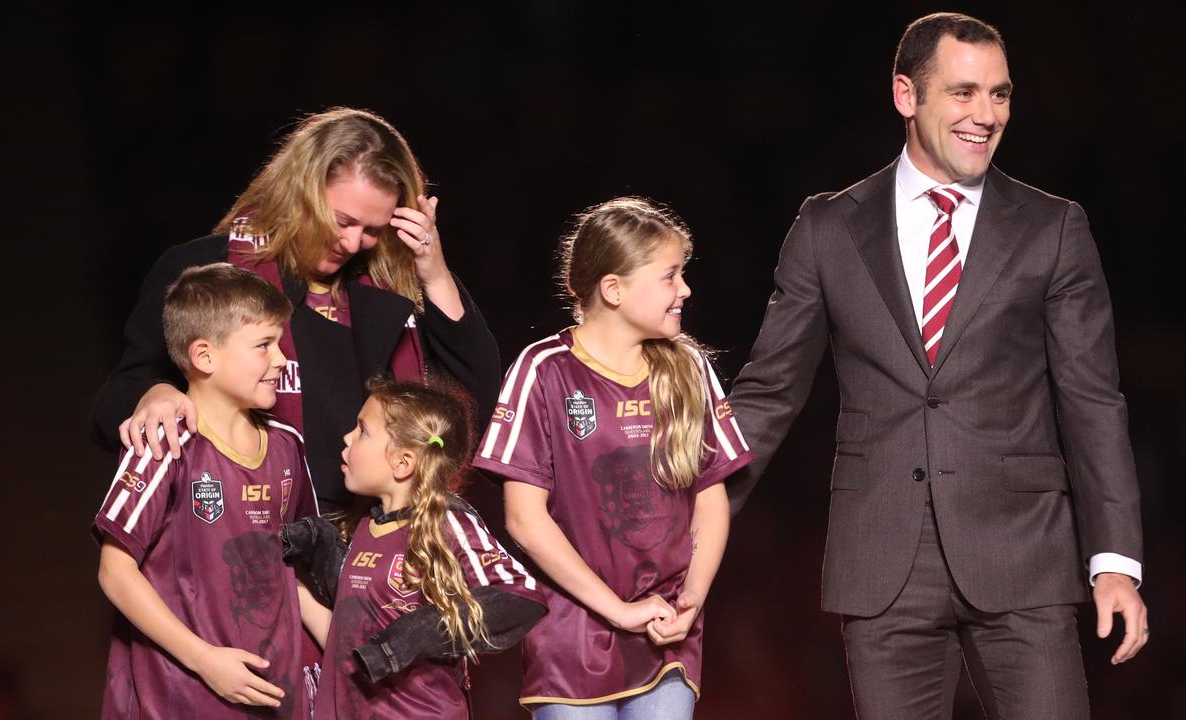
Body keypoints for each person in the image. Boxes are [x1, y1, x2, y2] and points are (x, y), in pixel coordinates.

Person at [726, 13, 1148, 719]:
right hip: (882, 562)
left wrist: (1114, 563)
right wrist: (679, 521)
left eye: (1000, 94)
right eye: (963, 93)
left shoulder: (1054, 227)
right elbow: (767, 394)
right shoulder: (828, 227)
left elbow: (1092, 400)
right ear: (905, 95)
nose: (986, 115)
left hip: (1023, 557)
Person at [91, 107, 501, 513]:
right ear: (301, 188)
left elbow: (471, 402)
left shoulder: (395, 291)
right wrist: (155, 393)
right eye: (341, 220)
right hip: (235, 531)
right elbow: (116, 399)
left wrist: (434, 273)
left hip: (366, 550)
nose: (353, 243)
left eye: (372, 229)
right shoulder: (204, 271)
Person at [473, 198, 752, 718]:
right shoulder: (544, 369)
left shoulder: (687, 365)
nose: (685, 290)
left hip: (666, 633)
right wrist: (618, 611)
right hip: (570, 636)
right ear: (613, 289)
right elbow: (524, 519)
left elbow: (710, 499)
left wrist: (691, 599)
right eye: (670, 276)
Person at [94, 263, 320, 718]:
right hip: (182, 698)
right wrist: (205, 661)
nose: (281, 360)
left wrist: (344, 643)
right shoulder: (162, 441)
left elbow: (289, 571)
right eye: (264, 345)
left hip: (273, 698)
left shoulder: (286, 446)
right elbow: (115, 572)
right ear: (204, 357)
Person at [283, 378, 545, 719]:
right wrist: (309, 555)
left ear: (403, 463)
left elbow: (520, 597)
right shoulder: (364, 527)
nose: (347, 438)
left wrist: (412, 636)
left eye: (362, 431)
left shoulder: (448, 522)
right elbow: (352, 629)